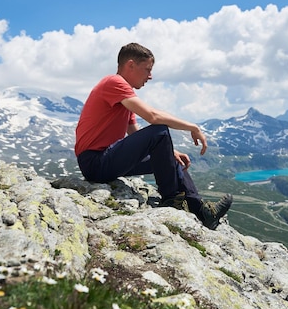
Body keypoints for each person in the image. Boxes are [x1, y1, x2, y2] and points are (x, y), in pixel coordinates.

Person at [75, 42, 232, 230]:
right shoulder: (113, 83)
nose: (150, 76)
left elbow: (133, 132)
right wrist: (192, 127)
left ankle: (203, 212)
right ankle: (171, 200)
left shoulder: (124, 97)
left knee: (173, 158)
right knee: (159, 130)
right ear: (130, 65)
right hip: (95, 162)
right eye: (147, 69)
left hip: (106, 160)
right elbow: (153, 117)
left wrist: (169, 152)